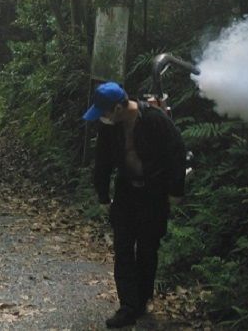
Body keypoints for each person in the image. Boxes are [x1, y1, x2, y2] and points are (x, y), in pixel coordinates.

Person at [83, 81, 186, 328]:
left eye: (105, 111)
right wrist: (103, 196)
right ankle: (128, 306)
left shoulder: (154, 120)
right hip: (126, 192)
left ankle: (141, 300)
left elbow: (177, 152)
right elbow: (103, 161)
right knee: (123, 248)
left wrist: (175, 191)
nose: (103, 118)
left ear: (118, 108)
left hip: (153, 194)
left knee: (148, 249)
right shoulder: (110, 127)